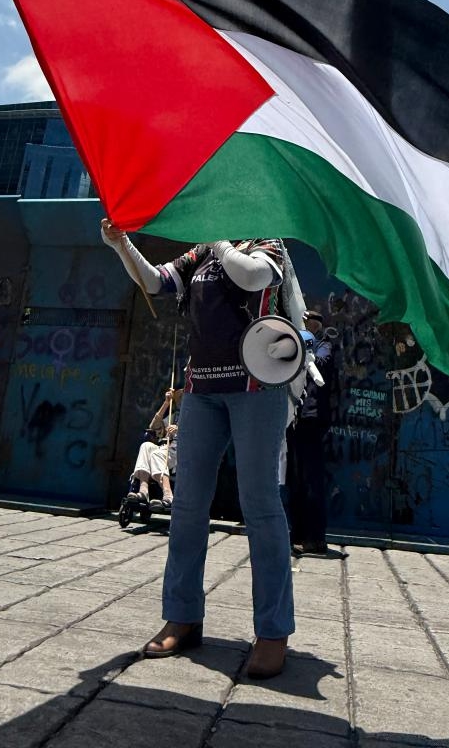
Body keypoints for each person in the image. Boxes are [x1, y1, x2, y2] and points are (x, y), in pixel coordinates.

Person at [101, 221, 294, 679]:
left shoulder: (267, 245)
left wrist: (217, 237)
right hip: (203, 388)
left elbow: (250, 277)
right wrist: (120, 243)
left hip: (255, 386)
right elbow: (154, 281)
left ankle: (272, 632)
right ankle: (182, 616)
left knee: (260, 504)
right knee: (187, 504)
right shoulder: (200, 255)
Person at [286, 310, 334, 556]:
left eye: (310, 323)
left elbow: (322, 364)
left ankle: (315, 538)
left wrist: (308, 341)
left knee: (312, 480)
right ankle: (297, 534)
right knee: (296, 479)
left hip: (312, 419)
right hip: (295, 418)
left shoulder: (324, 345)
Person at [128, 388, 181, 508]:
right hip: (165, 448)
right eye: (179, 399)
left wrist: (179, 429)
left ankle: (168, 495)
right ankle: (143, 489)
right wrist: (166, 402)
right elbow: (154, 426)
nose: (180, 402)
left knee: (157, 455)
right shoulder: (175, 416)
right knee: (146, 446)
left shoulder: (194, 416)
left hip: (182, 451)